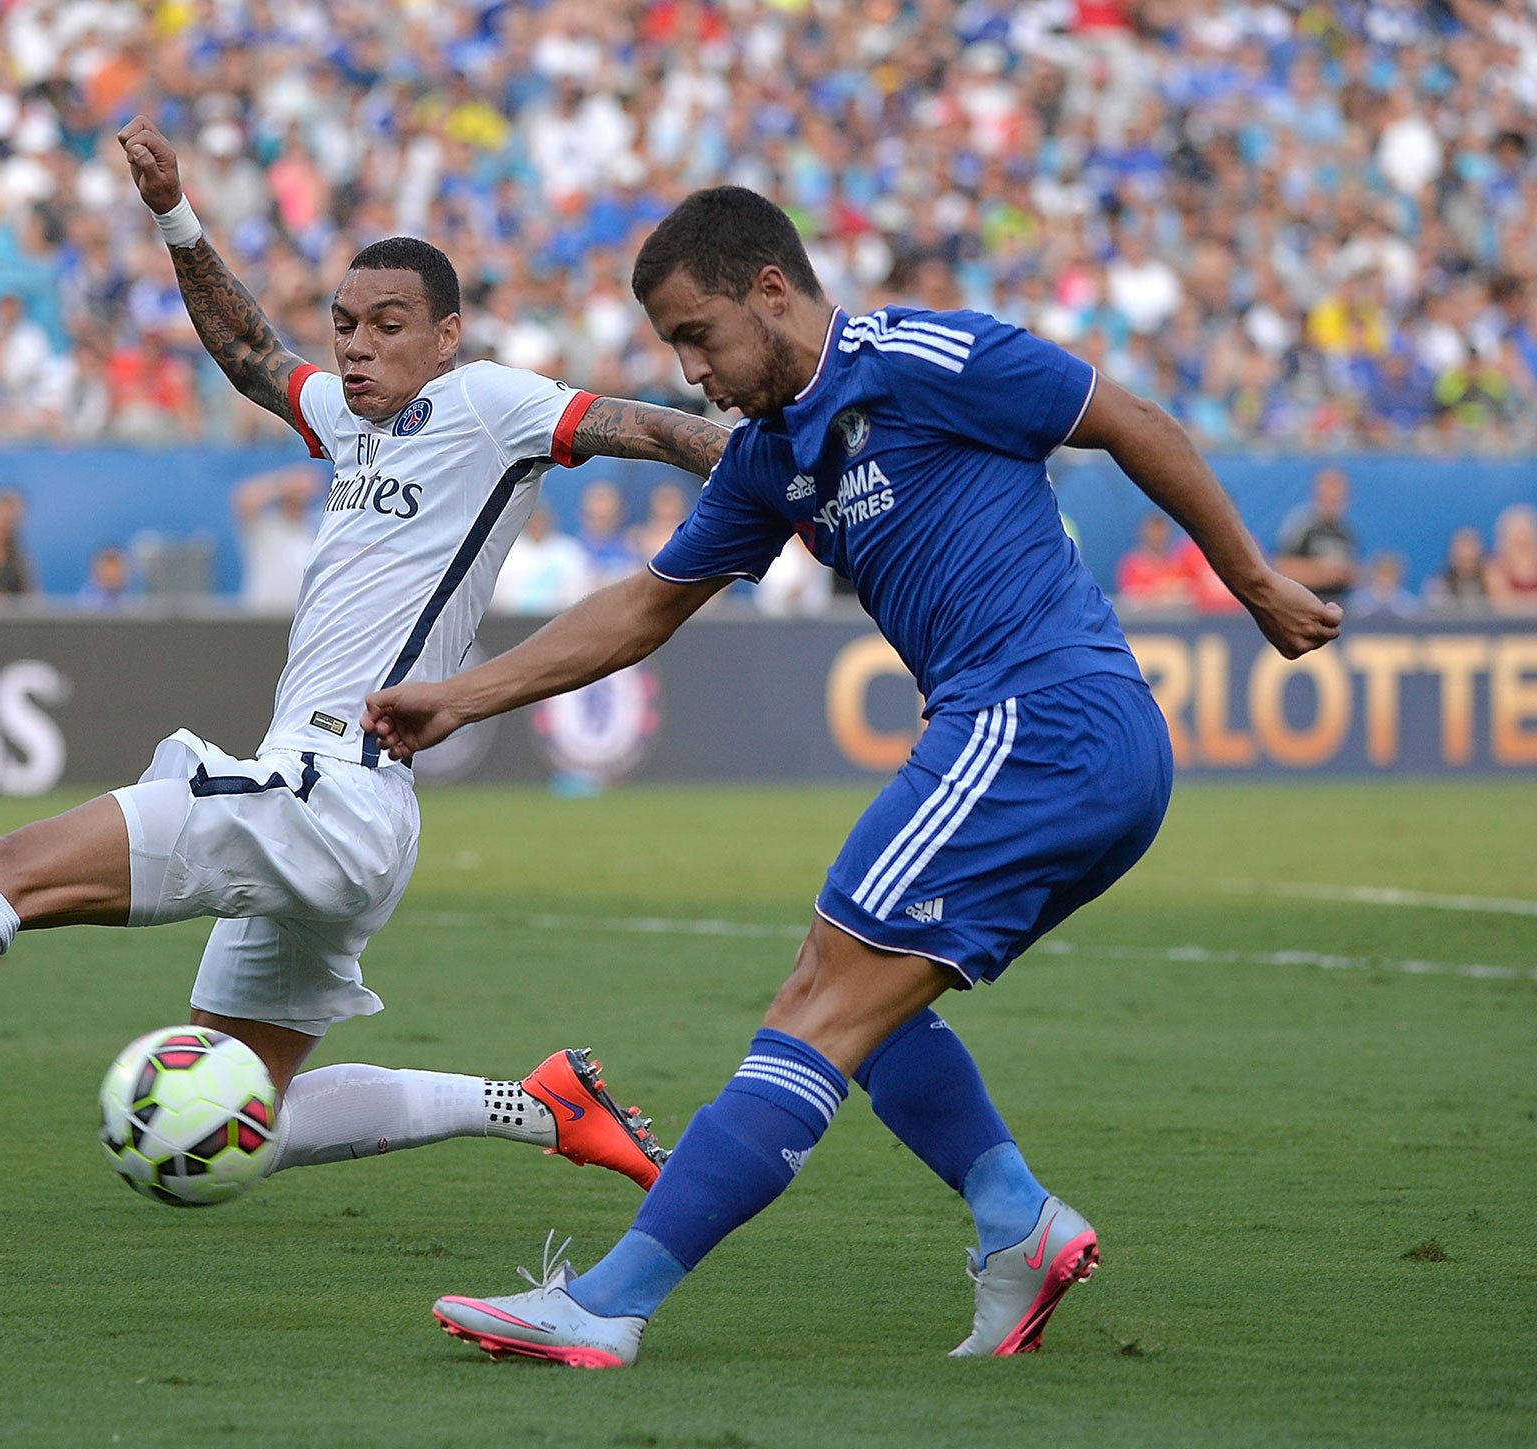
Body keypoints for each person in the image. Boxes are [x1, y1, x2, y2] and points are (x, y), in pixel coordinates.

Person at [0, 117, 731, 1219]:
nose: (356, 346)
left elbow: (656, 431)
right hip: (347, 814)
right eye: (343, 324)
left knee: (6, 867)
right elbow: (251, 356)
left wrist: (772, 455)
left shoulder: (492, 403)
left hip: (331, 790)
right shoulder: (349, 421)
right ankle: (537, 1108)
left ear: (446, 336)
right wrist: (174, 213)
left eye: (387, 326)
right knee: (242, 1111)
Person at [365, 186, 1340, 1367]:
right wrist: (458, 693)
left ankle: (610, 1303)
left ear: (769, 291)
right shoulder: (771, 455)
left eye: (698, 336)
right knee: (855, 998)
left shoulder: (921, 355)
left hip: (1040, 718)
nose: (691, 373)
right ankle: (1013, 1220)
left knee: (816, 1006)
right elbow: (643, 607)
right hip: (1038, 739)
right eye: (673, 347)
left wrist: (1250, 579)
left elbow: (1126, 420)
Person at [231, 464, 319, 614]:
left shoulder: (313, 530)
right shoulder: (265, 526)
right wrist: (286, 484)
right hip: (263, 615)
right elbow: (244, 500)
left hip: (301, 617)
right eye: (293, 498)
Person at [1273, 467, 1359, 607]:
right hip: (1303, 605)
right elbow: (1281, 567)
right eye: (1328, 497)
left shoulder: (1347, 532)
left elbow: (1352, 573)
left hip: (1336, 605)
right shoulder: (1300, 525)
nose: (1332, 503)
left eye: (1337, 499)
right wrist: (1321, 573)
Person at [490, 502, 594, 614]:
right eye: (533, 520)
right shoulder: (507, 552)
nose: (537, 524)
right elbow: (496, 595)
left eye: (541, 520)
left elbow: (579, 589)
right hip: (507, 622)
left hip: (558, 619)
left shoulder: (569, 551)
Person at [1115, 510, 1192, 609]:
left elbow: (1189, 595)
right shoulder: (1132, 565)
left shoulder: (1181, 564)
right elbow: (1131, 600)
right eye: (1154, 530)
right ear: (1144, 532)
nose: (1158, 535)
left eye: (1162, 530)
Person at [1483, 503, 1537, 612]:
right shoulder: (1495, 567)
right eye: (1517, 535)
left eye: (1526, 534)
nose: (1522, 539)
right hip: (1509, 627)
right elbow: (1503, 603)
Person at [1424, 526, 1490, 611]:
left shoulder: (1491, 581)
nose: (1467, 556)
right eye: (1462, 559)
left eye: (1471, 559)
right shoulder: (1439, 583)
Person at [1352, 553, 1417, 618]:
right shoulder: (1359, 600)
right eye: (1381, 573)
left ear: (1399, 577)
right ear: (1372, 574)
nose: (1385, 579)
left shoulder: (1407, 602)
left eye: (1390, 574)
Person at [78, 545, 134, 610]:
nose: (111, 573)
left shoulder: (132, 599)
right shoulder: (86, 600)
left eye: (115, 568)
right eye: (107, 569)